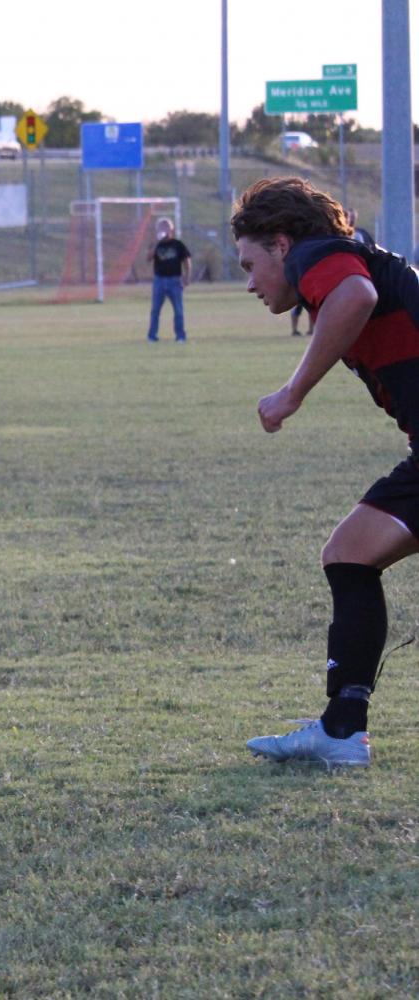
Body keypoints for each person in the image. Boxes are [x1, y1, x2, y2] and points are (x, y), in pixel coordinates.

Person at [233, 176, 419, 768]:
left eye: (249, 264)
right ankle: (341, 731)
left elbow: (355, 297)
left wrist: (292, 393)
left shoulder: (321, 256)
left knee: (349, 554)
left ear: (282, 245)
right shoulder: (340, 257)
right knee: (349, 554)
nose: (249, 283)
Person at [146, 218, 192, 342]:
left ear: (171, 229)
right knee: (155, 310)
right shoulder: (156, 244)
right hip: (159, 280)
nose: (163, 230)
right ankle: (152, 336)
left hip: (175, 280)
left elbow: (187, 261)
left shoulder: (178, 244)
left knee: (178, 310)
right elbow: (148, 258)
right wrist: (156, 243)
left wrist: (186, 277)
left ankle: (180, 336)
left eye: (166, 227)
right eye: (161, 227)